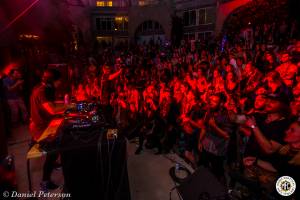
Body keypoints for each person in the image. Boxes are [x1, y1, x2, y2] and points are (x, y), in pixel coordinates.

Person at [29, 68, 67, 191]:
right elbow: (52, 109)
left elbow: (51, 105)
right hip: (41, 130)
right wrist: (68, 106)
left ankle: (54, 163)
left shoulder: (39, 87)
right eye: (58, 82)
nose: (59, 84)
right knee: (54, 150)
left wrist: (63, 104)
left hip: (41, 125)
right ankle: (45, 182)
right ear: (52, 81)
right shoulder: (41, 91)